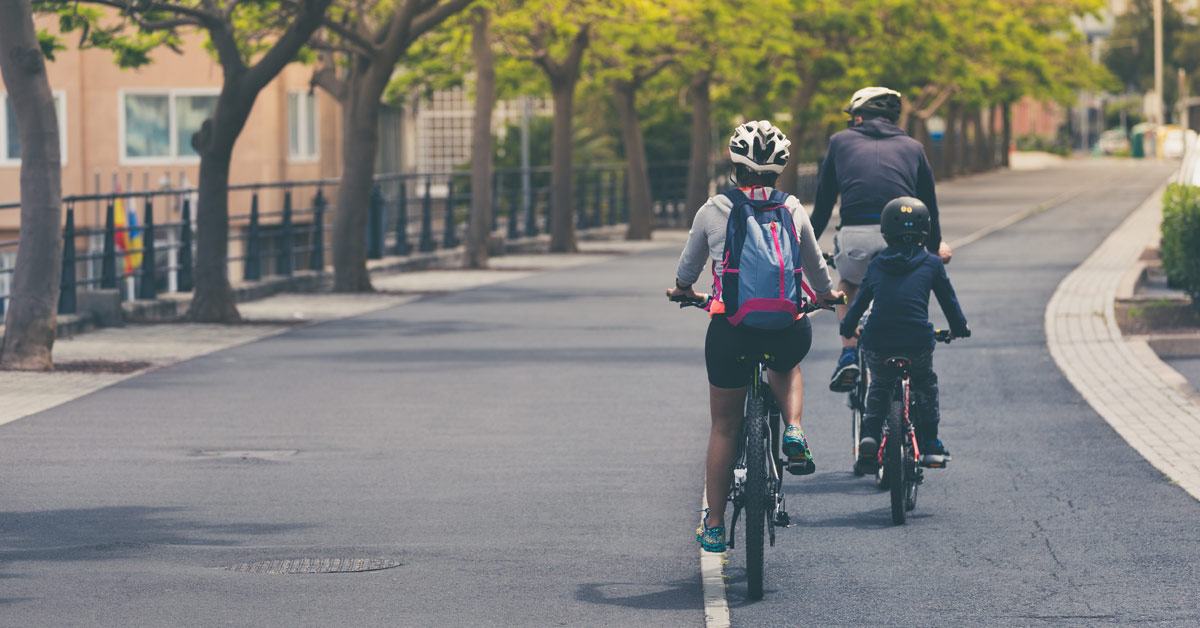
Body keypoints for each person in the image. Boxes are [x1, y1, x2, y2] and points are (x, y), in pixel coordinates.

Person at [667, 120, 842, 553]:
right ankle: (795, 430)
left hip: (730, 330)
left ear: (734, 164)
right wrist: (826, 296)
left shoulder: (712, 210)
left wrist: (683, 291)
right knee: (787, 362)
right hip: (785, 327)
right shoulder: (793, 208)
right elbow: (816, 267)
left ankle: (713, 524)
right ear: (778, 169)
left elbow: (687, 270)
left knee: (725, 425)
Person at [811, 86, 953, 393]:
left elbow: (823, 205)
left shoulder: (838, 142)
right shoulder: (914, 147)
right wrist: (933, 249)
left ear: (859, 117)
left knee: (848, 284)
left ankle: (849, 351)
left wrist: (804, 245)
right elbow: (930, 206)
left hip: (855, 239)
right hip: (905, 239)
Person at [838, 197, 969, 470]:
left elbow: (860, 301)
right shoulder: (932, 264)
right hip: (917, 342)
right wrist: (959, 328)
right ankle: (931, 443)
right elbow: (949, 302)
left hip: (877, 341)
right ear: (926, 232)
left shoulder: (876, 265)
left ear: (886, 232)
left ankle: (870, 437)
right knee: (924, 383)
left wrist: (848, 327)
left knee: (880, 385)